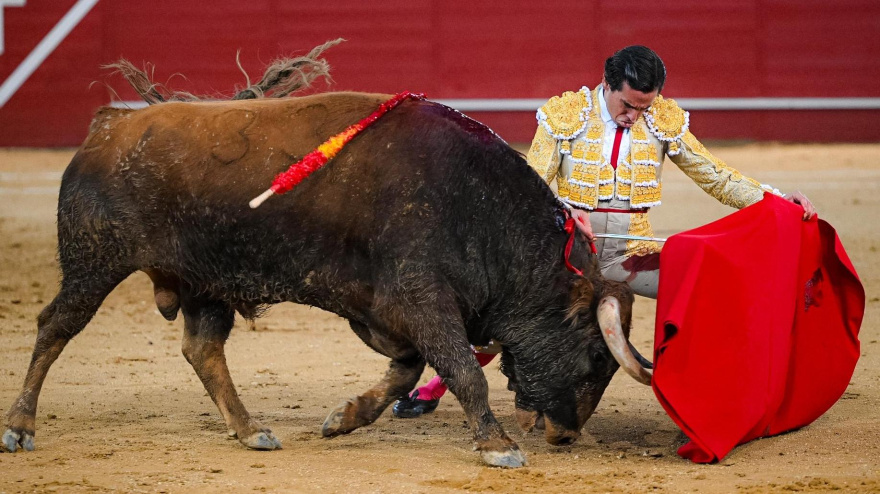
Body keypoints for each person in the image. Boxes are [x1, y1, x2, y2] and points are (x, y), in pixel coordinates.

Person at [392, 45, 816, 418]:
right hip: (568, 253)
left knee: (703, 288)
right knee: (510, 321)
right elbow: (531, 184)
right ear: (607, 84)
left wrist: (775, 201)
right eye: (628, 105)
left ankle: (715, 397)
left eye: (644, 108)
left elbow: (715, 176)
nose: (635, 117)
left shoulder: (662, 121)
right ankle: (433, 389)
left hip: (633, 251)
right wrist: (563, 208)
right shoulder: (566, 117)